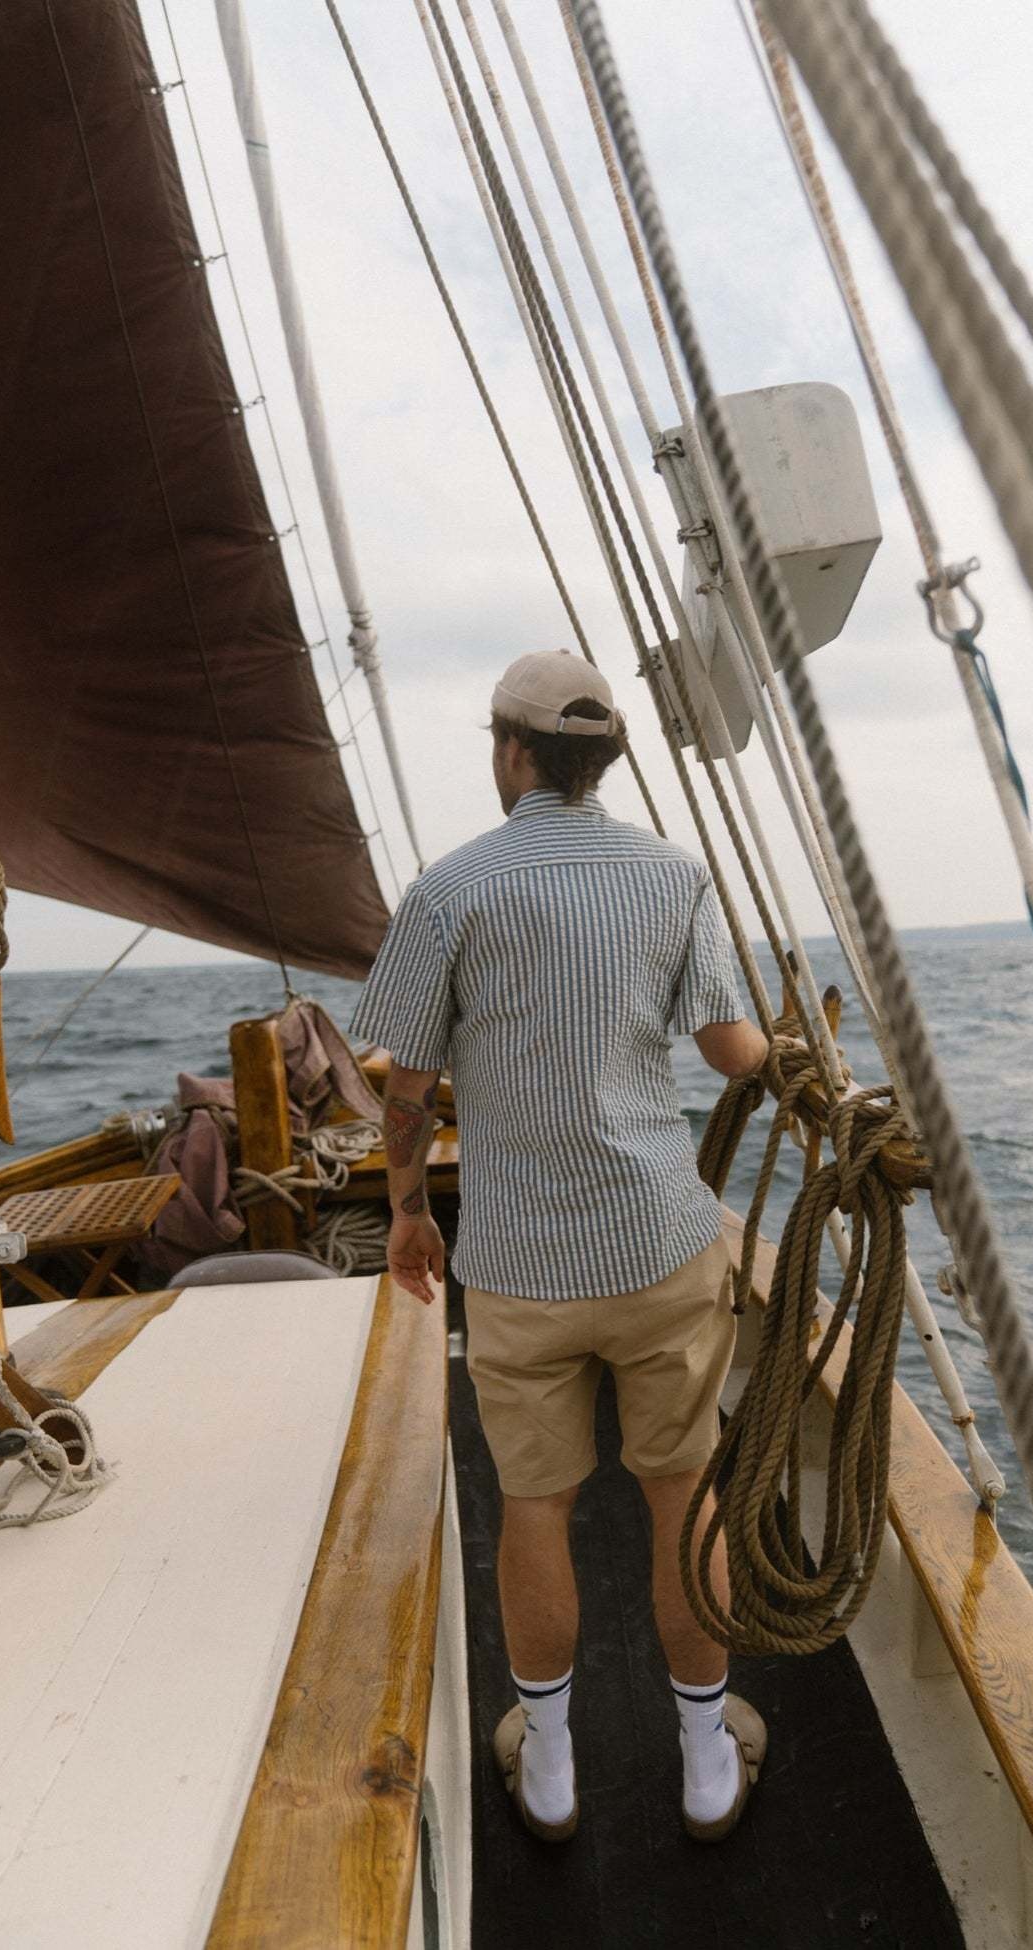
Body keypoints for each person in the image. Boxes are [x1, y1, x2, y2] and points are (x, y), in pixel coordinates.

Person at [351, 648, 769, 1845]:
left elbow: (408, 1092)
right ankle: (703, 1764)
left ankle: (548, 1771)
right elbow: (736, 1053)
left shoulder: (451, 888)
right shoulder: (674, 876)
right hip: (660, 1248)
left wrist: (408, 1212)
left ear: (513, 751)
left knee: (532, 1509)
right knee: (682, 1495)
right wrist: (812, 1073)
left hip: (523, 1265)